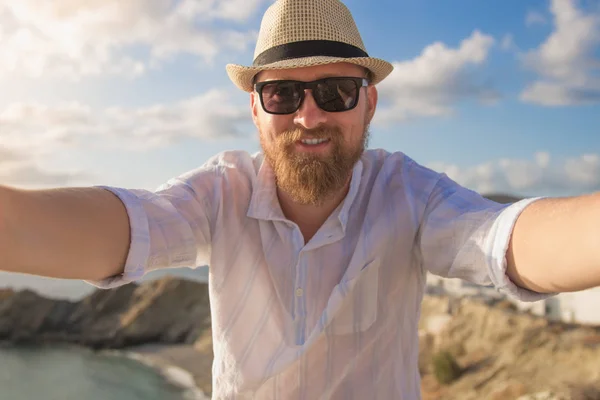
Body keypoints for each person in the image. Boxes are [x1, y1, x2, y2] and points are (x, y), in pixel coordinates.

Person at [1, 0, 599, 398]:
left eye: (336, 90)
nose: (308, 114)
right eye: (283, 93)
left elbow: (505, 239)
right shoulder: (220, 193)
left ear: (369, 102)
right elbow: (122, 227)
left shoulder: (409, 193)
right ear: (255, 109)